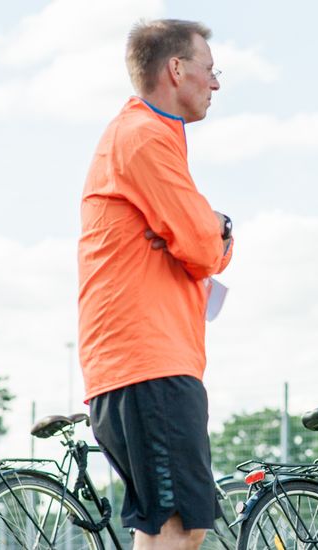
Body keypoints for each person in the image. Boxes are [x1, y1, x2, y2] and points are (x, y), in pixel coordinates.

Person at [78, 19, 233, 550]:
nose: (215, 84)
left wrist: (204, 236)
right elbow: (202, 244)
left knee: (169, 527)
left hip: (144, 366)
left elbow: (193, 245)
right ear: (176, 69)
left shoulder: (146, 136)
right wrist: (220, 230)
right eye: (210, 70)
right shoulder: (143, 137)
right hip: (147, 365)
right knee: (178, 528)